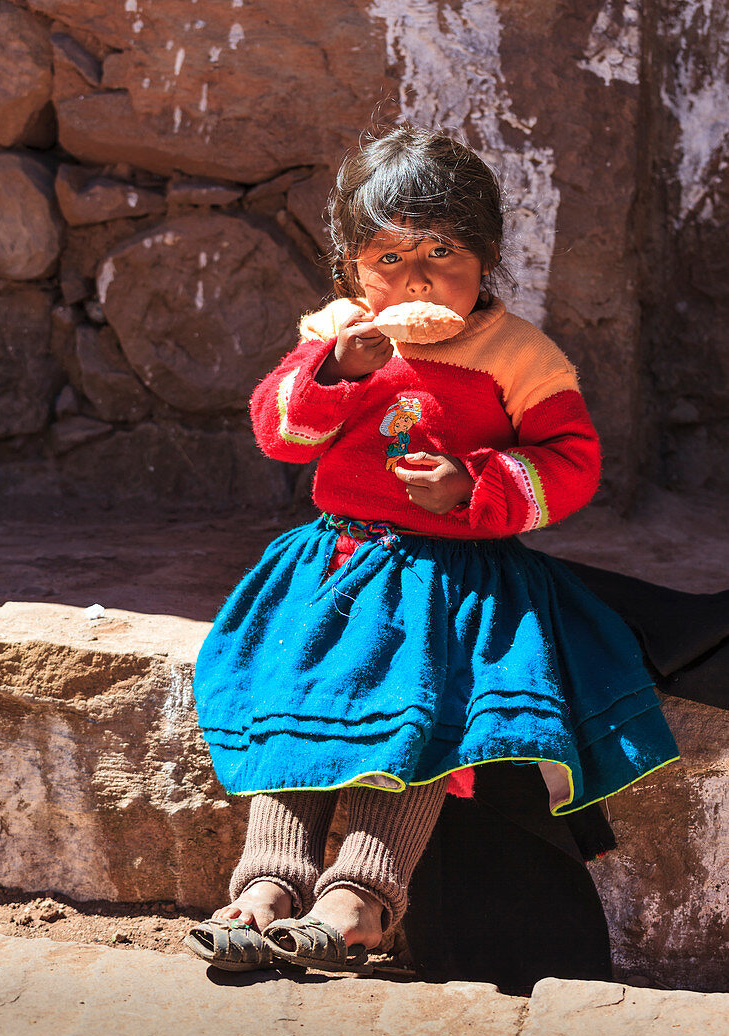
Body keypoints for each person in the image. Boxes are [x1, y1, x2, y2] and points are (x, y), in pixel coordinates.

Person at [187, 122, 679, 976]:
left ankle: (360, 901)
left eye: (440, 255)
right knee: (294, 696)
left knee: (425, 713)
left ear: (484, 259)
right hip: (337, 566)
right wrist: (334, 369)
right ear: (350, 270)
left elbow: (572, 464)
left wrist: (474, 484)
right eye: (387, 260)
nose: (413, 281)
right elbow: (283, 435)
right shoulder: (340, 336)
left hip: (458, 581)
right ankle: (266, 887)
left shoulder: (518, 357)